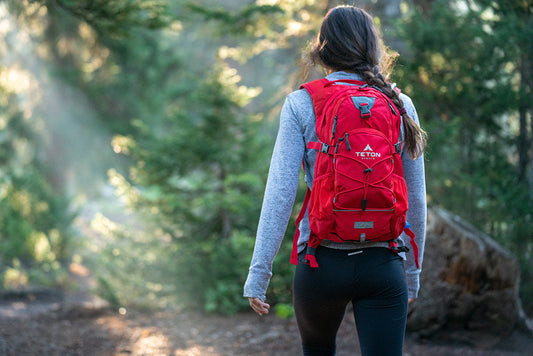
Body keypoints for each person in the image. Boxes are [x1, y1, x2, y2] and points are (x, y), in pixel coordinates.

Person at [243, 5, 427, 356]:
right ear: (373, 49)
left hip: (321, 263)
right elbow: (416, 198)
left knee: (317, 349)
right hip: (384, 262)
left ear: (323, 48)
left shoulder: (301, 103)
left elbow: (280, 193)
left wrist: (259, 274)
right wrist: (412, 273)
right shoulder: (400, 103)